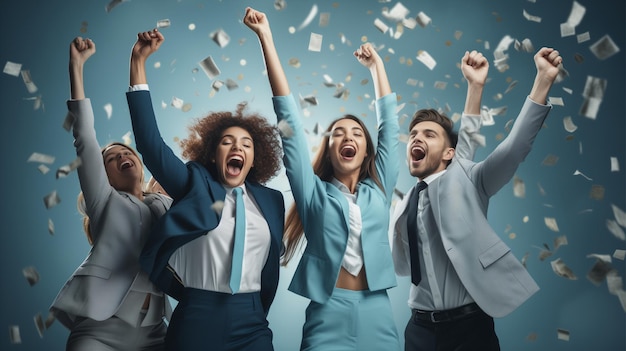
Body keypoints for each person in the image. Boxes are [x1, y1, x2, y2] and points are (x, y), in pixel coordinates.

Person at [245, 7, 400, 350]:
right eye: (338, 134)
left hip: (379, 316)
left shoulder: (380, 189)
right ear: (328, 150)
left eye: (357, 134)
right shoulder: (313, 194)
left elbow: (390, 126)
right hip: (327, 315)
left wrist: (377, 68)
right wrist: (266, 39)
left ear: (366, 150)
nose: (348, 138)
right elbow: (288, 120)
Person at [390, 47, 563, 351]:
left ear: (449, 153)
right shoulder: (404, 205)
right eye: (414, 134)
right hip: (418, 331)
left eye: (430, 134)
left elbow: (513, 148)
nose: (417, 138)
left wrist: (541, 81)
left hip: (469, 330)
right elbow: (401, 266)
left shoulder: (468, 179)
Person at [126, 27, 285, 351]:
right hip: (198, 316)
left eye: (246, 144)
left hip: (253, 320)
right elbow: (151, 145)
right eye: (227, 142)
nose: (236, 147)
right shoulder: (194, 183)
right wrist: (138, 63)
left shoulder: (272, 201)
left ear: (254, 159)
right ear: (214, 154)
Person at [50, 37, 172, 351]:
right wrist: (76, 66)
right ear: (102, 176)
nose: (120, 157)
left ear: (140, 165)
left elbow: (176, 165)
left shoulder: (161, 202)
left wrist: (140, 62)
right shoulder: (105, 202)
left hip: (154, 333)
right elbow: (85, 139)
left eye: (125, 152)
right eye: (110, 159)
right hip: (99, 330)